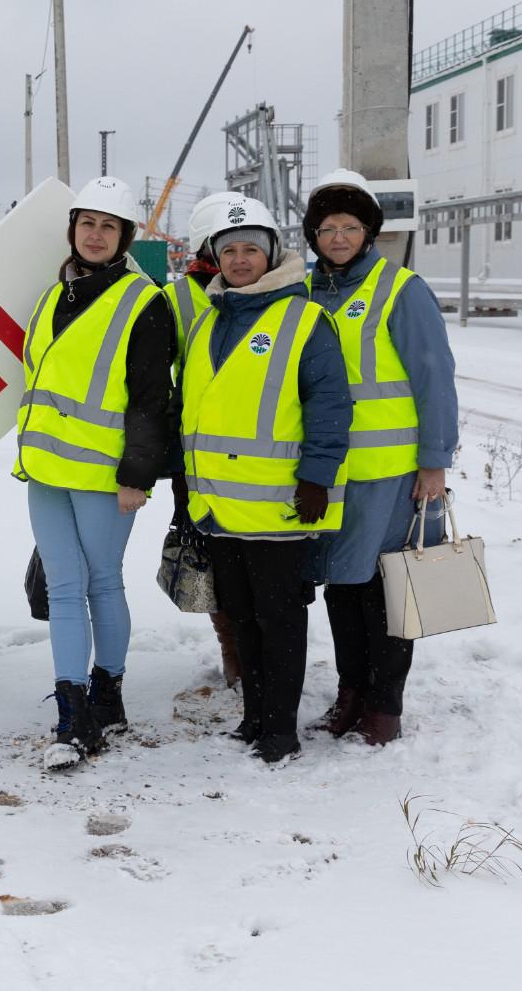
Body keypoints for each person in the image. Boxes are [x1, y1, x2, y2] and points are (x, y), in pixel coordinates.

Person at [173, 196, 351, 764]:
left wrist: (317, 477)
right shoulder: (209, 318)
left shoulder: (303, 319)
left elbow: (330, 404)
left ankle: (280, 728)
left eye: (251, 248)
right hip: (219, 507)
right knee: (242, 619)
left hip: (278, 506)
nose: (241, 259)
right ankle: (254, 716)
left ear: (271, 254)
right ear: (216, 258)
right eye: (230, 250)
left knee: (279, 622)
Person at [14, 177, 179, 770]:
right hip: (48, 470)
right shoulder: (52, 295)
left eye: (109, 226)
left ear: (124, 237)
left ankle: (107, 691)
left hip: (106, 476)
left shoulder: (144, 301)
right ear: (73, 230)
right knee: (63, 586)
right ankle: (71, 709)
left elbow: (151, 399)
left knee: (100, 582)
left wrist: (137, 475)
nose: (96, 234)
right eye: (88, 223)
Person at [303, 169, 458, 746]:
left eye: (350, 226)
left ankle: (383, 706)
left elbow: (434, 377)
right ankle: (350, 692)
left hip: (391, 474)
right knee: (342, 587)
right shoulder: (308, 292)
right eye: (327, 228)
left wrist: (434, 460)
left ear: (369, 232)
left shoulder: (401, 289)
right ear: (312, 235)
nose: (338, 237)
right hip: (331, 473)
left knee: (387, 589)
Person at [163, 191, 247, 689]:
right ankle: (233, 651)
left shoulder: (270, 291)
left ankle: (251, 649)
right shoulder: (177, 299)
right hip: (193, 457)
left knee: (256, 556)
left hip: (260, 453)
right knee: (211, 553)